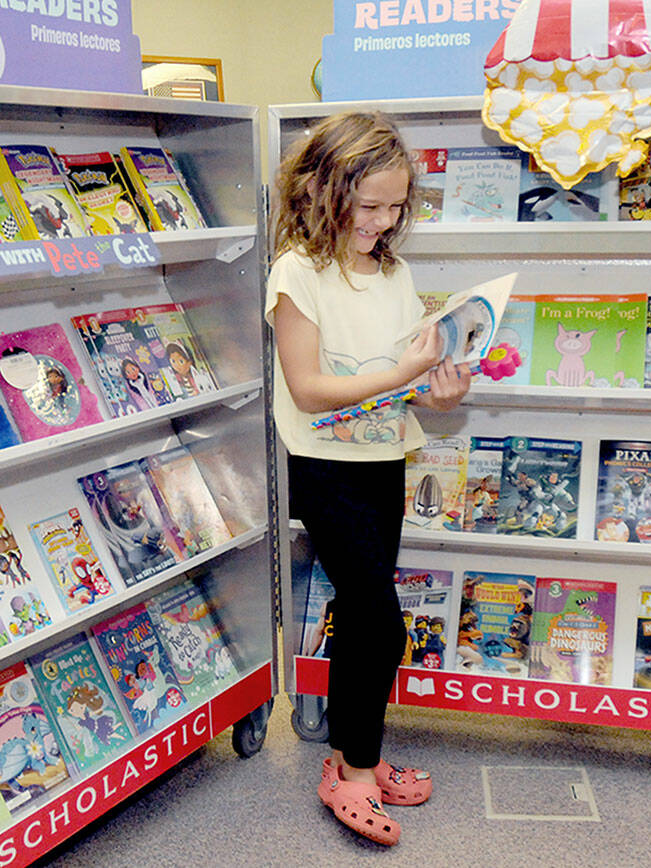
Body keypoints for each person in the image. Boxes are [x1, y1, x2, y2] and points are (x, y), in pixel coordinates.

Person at [266, 111, 471, 846]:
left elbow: (394, 383)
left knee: (361, 617)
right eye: (369, 205)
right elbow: (310, 387)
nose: (383, 222)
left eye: (395, 207)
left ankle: (362, 753)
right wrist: (404, 371)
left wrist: (435, 388)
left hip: (384, 458)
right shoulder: (296, 271)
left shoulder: (394, 271)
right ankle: (351, 777)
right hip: (325, 465)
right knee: (379, 619)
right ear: (325, 190)